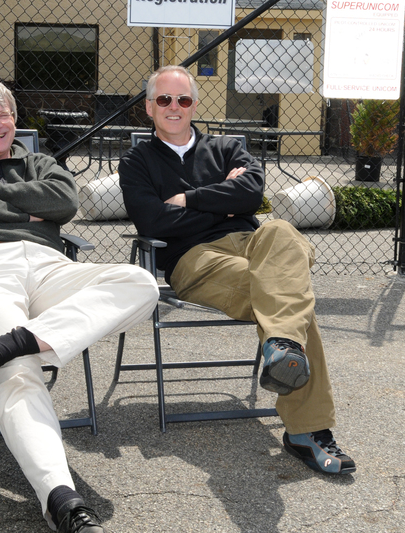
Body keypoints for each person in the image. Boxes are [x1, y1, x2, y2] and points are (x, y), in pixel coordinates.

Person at [0, 79, 159, 532]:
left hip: (49, 265)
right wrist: (27, 211)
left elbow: (64, 201)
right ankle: (61, 499)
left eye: (3, 115)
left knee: (139, 283)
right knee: (19, 372)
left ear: (15, 119)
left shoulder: (41, 161)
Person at [118, 65, 356, 476]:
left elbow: (252, 193)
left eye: (183, 99)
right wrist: (223, 203)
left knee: (281, 231)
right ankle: (307, 428)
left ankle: (281, 346)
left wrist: (187, 200)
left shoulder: (227, 147)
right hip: (195, 259)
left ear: (194, 105)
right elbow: (153, 222)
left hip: (252, 243)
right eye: (164, 99)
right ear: (149, 107)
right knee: (290, 301)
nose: (174, 107)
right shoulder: (137, 161)